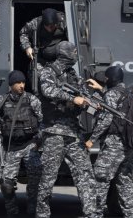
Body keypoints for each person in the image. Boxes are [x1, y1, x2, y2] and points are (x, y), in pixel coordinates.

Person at [35, 41, 97, 218]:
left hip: (73, 134)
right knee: (47, 179)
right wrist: (72, 98)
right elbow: (47, 91)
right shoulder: (47, 72)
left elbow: (83, 99)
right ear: (65, 54)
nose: (77, 54)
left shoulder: (73, 75)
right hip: (54, 132)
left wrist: (93, 105)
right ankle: (42, 214)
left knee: (85, 175)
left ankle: (91, 213)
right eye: (74, 52)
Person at [0, 70, 43, 217]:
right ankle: (13, 212)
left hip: (30, 145)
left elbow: (43, 122)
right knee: (6, 185)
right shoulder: (0, 101)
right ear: (11, 85)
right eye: (18, 83)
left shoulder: (32, 100)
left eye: (23, 82)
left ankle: (32, 208)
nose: (21, 85)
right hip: (11, 148)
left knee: (37, 179)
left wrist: (38, 140)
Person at [85, 66, 133, 218]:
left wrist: (91, 140)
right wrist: (100, 89)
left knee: (100, 179)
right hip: (126, 145)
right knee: (125, 184)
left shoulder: (111, 95)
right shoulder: (128, 93)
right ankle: (131, 215)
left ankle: (95, 214)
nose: (105, 80)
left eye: (106, 78)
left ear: (111, 79)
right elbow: (113, 100)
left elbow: (106, 120)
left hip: (113, 146)